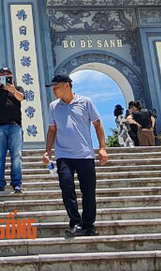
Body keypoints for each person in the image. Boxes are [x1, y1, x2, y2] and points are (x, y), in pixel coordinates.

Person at [43, 74, 108, 237]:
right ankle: (75, 223)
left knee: (89, 191)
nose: (54, 91)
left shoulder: (86, 102)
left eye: (56, 87)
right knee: (66, 187)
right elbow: (52, 130)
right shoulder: (53, 106)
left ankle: (88, 224)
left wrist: (102, 148)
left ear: (67, 85)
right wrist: (48, 151)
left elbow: (98, 125)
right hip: (63, 155)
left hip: (85, 154)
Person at [0, 67, 25, 194]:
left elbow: (21, 98)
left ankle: (17, 183)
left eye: (8, 74)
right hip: (0, 128)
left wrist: (13, 90)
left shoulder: (18, 88)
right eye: (3, 75)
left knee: (17, 155)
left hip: (15, 126)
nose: (6, 76)